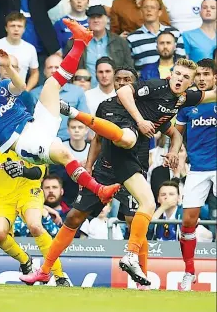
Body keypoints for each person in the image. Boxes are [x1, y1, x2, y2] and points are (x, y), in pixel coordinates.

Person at [59, 58, 217, 285]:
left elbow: (177, 130)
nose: (181, 79)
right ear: (169, 74)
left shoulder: (172, 100)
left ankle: (138, 271)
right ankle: (49, 267)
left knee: (141, 214)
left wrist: (173, 150)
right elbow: (97, 138)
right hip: (108, 165)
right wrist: (90, 165)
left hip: (135, 166)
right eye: (178, 74)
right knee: (77, 214)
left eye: (186, 77)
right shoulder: (133, 97)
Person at [0, 20, 120, 216]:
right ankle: (99, 190)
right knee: (64, 154)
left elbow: (20, 87)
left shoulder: (2, 86)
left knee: (50, 84)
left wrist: (8, 67)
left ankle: (81, 42)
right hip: (22, 141)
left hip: (35, 123)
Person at [0, 136, 70, 286]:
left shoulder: (26, 131)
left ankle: (59, 276)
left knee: (35, 225)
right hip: (0, 197)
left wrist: (24, 171)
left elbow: (40, 171)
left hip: (28, 190)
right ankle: (25, 260)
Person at [175, 58, 217, 291]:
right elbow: (177, 133)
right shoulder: (187, 103)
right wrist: (174, 151)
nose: (201, 78)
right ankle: (189, 272)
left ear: (214, 78)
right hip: (197, 168)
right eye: (198, 75)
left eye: (206, 74)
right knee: (188, 222)